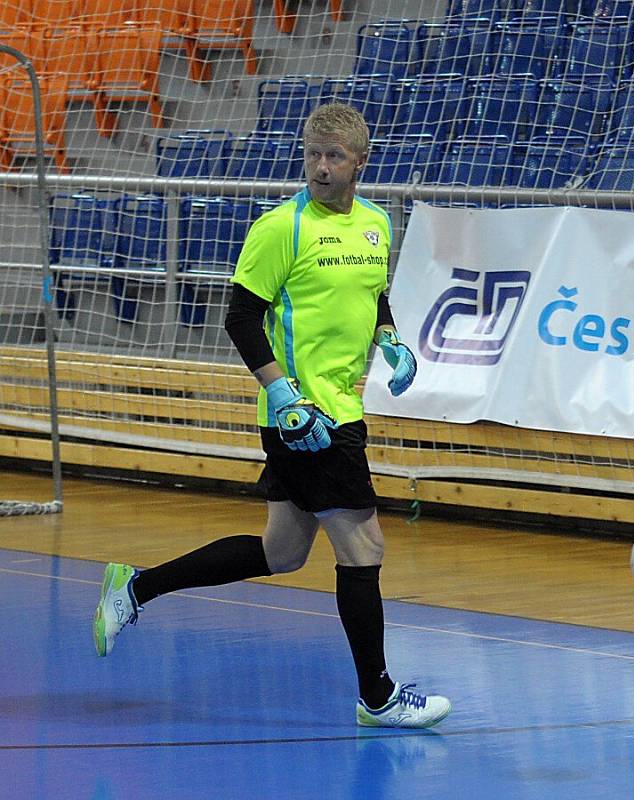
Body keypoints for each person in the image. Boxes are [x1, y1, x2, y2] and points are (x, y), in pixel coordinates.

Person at [93, 102, 451, 729]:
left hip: (344, 405)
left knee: (281, 551)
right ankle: (378, 697)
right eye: (312, 153)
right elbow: (239, 317)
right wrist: (281, 392)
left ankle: (134, 588)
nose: (319, 166)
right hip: (305, 418)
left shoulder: (374, 224)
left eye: (333, 156)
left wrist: (388, 337)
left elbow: (374, 295)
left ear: (359, 163)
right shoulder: (279, 228)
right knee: (364, 546)